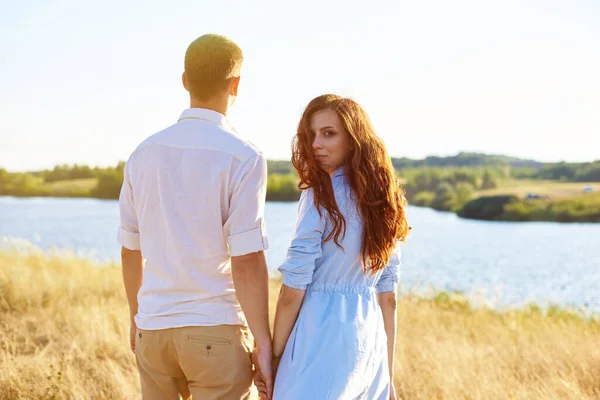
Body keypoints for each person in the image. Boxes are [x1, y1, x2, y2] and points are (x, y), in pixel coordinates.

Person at [118, 34, 273, 400]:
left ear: (185, 80)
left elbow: (129, 250)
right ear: (235, 84)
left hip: (153, 330)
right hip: (214, 332)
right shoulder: (244, 157)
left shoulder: (142, 154)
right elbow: (247, 259)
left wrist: (136, 318)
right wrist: (263, 344)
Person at [269, 94, 410, 399]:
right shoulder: (387, 202)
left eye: (328, 133)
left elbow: (292, 291)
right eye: (312, 135)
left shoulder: (321, 195)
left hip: (318, 339)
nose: (316, 143)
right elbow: (389, 298)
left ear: (353, 138)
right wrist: (386, 373)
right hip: (368, 341)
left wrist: (275, 355)